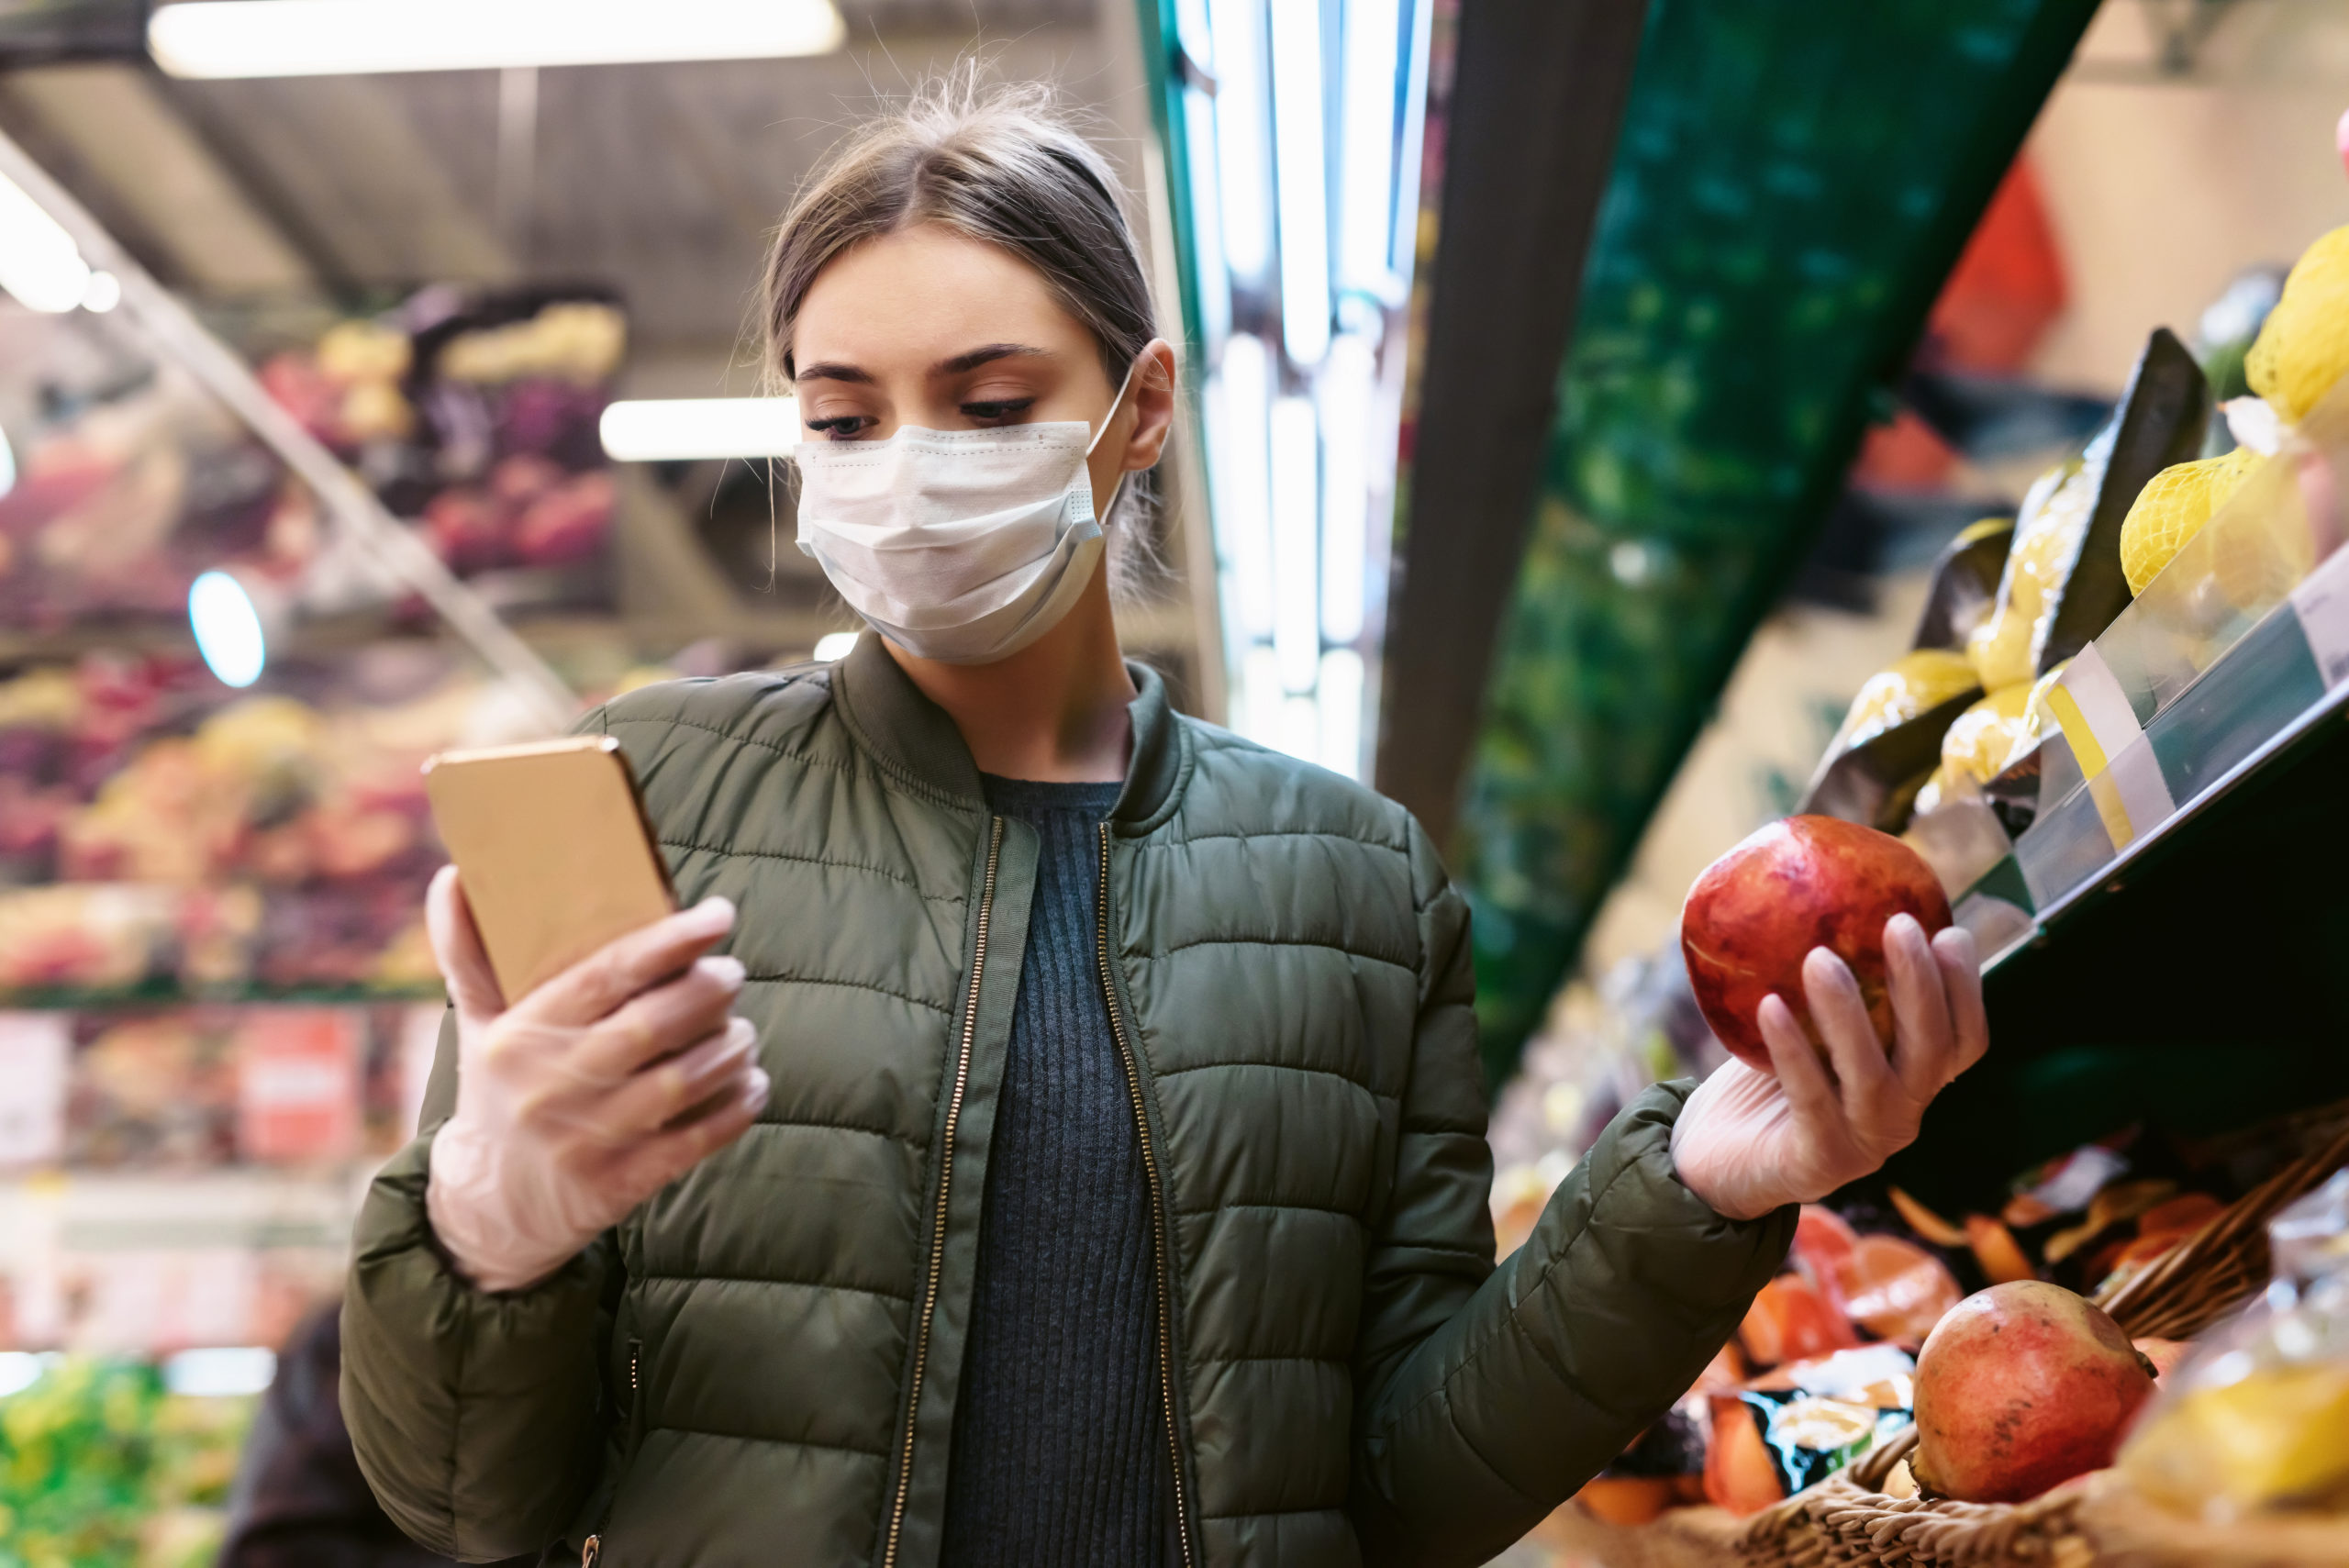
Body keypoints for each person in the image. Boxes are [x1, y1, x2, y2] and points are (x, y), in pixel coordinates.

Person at [340, 79, 1987, 1568]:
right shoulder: (655, 798)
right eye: (844, 417)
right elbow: (469, 1500)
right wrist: (490, 1219)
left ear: (1138, 409)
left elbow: (1406, 1490)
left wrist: (1691, 1189)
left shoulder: (1356, 887)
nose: (905, 471)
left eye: (987, 404)